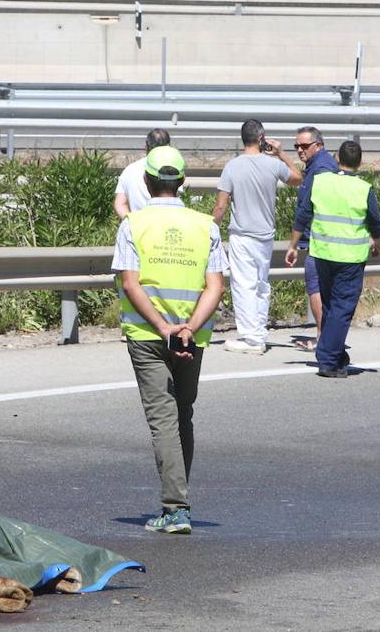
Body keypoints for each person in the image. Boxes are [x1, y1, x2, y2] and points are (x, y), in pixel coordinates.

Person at [111, 146, 227, 535]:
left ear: (145, 181)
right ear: (183, 182)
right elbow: (216, 286)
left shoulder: (133, 224)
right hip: (191, 336)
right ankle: (178, 495)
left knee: (163, 418)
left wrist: (163, 328)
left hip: (148, 334)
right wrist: (189, 327)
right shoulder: (205, 226)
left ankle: (176, 507)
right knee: (182, 414)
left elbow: (130, 282)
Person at [285, 141, 380, 378]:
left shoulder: (320, 182)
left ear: (337, 158)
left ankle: (338, 356)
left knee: (330, 306)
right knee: (343, 307)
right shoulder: (363, 188)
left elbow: (303, 215)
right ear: (360, 162)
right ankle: (328, 359)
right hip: (350, 257)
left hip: (322, 253)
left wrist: (293, 245)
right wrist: (378, 243)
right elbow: (375, 222)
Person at [210, 119, 301, 354]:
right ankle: (258, 332)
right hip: (265, 236)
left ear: (242, 139)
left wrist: (211, 227)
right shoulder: (272, 165)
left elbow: (221, 206)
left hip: (242, 235)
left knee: (243, 285)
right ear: (261, 138)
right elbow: (297, 178)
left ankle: (251, 339)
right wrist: (281, 154)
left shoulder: (232, 166)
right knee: (261, 285)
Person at [289, 126, 339, 351]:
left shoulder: (321, 168)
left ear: (318, 145)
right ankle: (326, 337)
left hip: (319, 239)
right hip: (321, 237)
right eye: (296, 146)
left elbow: (307, 208)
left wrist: (293, 243)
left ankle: (322, 338)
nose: (299, 150)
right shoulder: (318, 165)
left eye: (304, 146)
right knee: (320, 287)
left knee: (316, 286)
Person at [114, 128, 172, 218]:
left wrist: (131, 222)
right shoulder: (171, 170)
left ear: (146, 146)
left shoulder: (129, 170)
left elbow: (120, 204)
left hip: (138, 226)